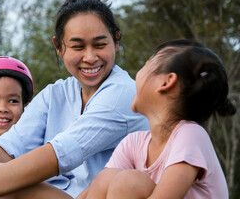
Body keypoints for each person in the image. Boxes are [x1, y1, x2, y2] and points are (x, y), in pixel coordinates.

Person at [0, 0, 149, 199]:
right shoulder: (56, 93)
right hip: (56, 193)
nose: (90, 57)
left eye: (100, 45)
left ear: (116, 41)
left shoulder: (122, 93)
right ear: (59, 47)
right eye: (77, 46)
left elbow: (60, 154)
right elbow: (10, 145)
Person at [77, 39, 236, 199]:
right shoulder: (133, 143)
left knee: (128, 183)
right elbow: (93, 192)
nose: (137, 74)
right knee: (106, 178)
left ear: (166, 82)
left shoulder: (191, 135)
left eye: (147, 64)